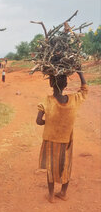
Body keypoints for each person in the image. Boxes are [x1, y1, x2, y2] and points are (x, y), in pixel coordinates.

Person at [36, 72, 87, 203]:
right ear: (66, 84)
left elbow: (38, 121)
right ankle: (63, 193)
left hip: (51, 140)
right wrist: (80, 73)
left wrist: (49, 121)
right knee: (66, 166)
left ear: (50, 83)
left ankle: (51, 195)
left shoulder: (46, 101)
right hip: (66, 140)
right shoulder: (74, 99)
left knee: (51, 167)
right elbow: (84, 90)